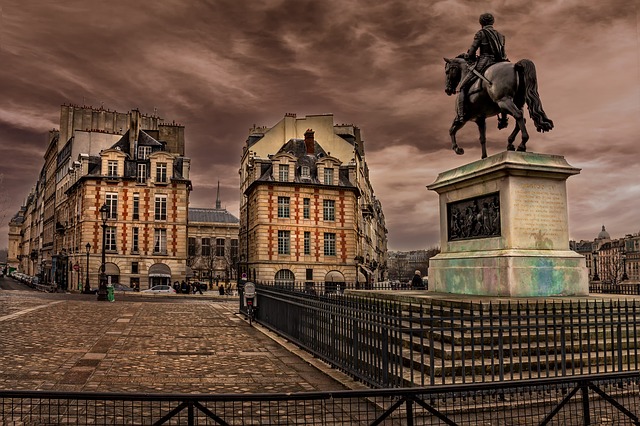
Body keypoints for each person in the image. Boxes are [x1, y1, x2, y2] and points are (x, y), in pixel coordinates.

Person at [457, 13, 509, 128]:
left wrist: (468, 56)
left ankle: (461, 115)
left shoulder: (480, 33)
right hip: (500, 62)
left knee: (463, 86)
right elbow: (503, 54)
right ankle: (504, 119)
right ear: (492, 22)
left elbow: (472, 52)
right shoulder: (501, 36)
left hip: (485, 61)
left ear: (481, 23)